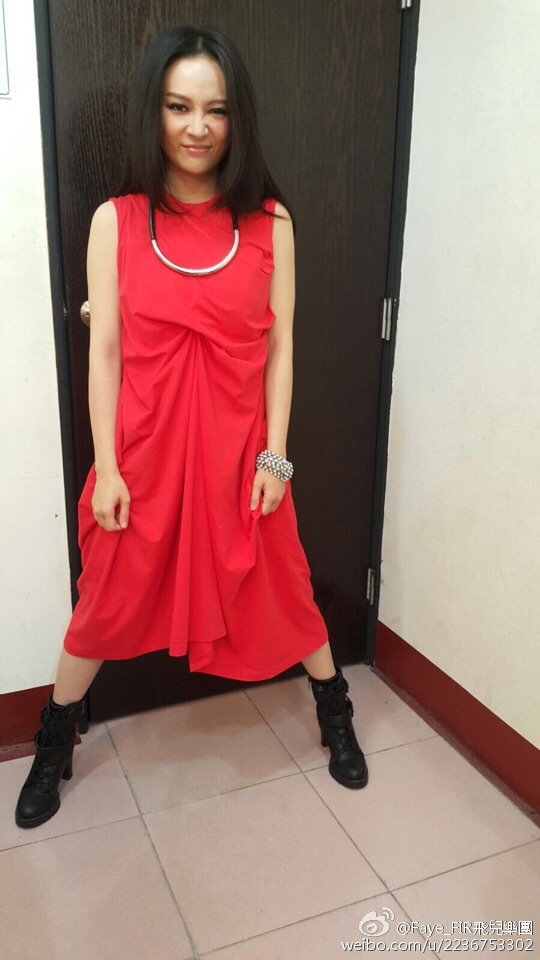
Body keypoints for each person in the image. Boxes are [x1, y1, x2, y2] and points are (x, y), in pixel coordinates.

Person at [15, 25, 368, 830]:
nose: (198, 127)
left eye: (216, 109)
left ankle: (335, 710)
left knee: (285, 586)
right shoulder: (116, 221)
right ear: (155, 112)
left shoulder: (270, 223)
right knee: (104, 602)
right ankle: (54, 742)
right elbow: (104, 354)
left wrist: (276, 458)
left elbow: (282, 349)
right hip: (142, 458)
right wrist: (108, 468)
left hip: (242, 460)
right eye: (179, 107)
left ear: (237, 118)